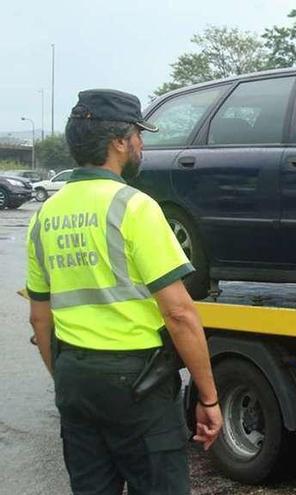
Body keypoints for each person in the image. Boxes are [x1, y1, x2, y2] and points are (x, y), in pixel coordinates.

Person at [26, 89, 222, 494]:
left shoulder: (45, 215)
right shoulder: (135, 207)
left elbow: (39, 318)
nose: (141, 144)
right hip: (137, 384)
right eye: (138, 135)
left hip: (75, 377)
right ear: (119, 142)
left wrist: (65, 379)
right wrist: (209, 397)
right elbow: (180, 313)